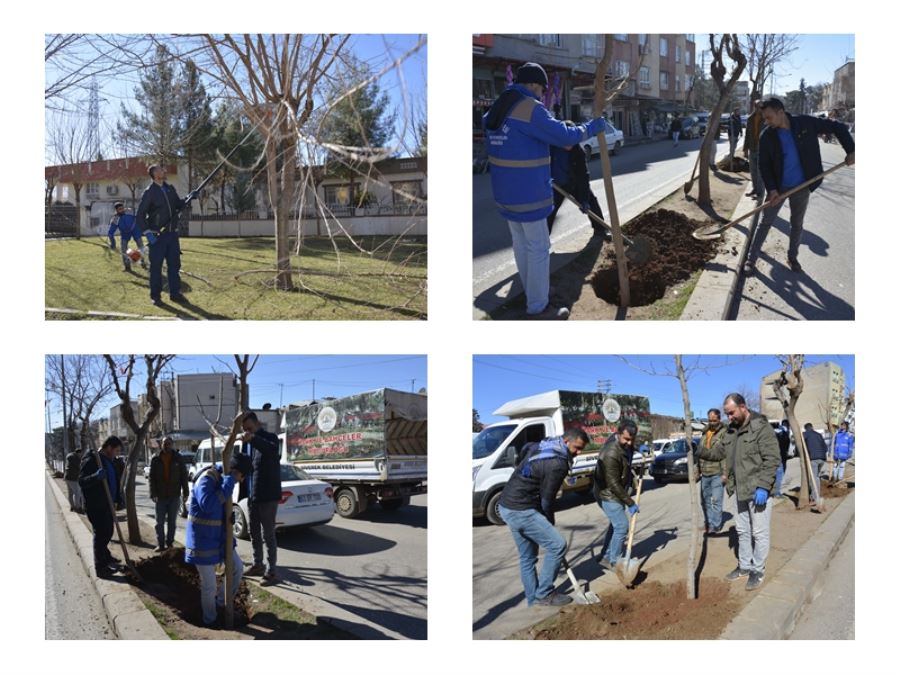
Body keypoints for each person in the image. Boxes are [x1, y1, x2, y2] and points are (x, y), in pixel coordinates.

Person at [483, 62, 606, 320]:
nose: (541, 95)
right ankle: (539, 307)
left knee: (521, 244)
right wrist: (592, 127)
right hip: (529, 194)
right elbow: (565, 137)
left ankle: (532, 292)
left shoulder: (498, 106)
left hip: (505, 193)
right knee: (539, 247)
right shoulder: (529, 108)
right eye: (541, 90)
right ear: (534, 85)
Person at [746, 96, 855, 275]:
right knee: (765, 222)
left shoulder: (805, 123)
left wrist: (851, 150)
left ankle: (792, 257)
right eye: (764, 118)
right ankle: (751, 258)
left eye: (769, 117)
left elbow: (838, 126)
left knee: (797, 224)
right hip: (778, 188)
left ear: (780, 112)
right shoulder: (767, 136)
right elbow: (763, 165)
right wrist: (772, 189)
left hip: (803, 185)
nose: (766, 121)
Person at [497, 428, 590, 607]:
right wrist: (549, 522)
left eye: (581, 449)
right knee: (557, 545)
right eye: (576, 448)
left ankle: (533, 600)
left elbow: (524, 450)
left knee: (527, 557)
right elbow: (548, 500)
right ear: (566, 442)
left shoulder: (545, 444)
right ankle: (545, 593)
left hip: (507, 505)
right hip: (521, 508)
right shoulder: (558, 463)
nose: (578, 453)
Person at [722, 393, 780, 591]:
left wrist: (764, 486)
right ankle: (745, 566)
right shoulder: (731, 431)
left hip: (758, 491)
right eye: (726, 414)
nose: (729, 418)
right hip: (740, 490)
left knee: (759, 532)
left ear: (743, 407)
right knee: (742, 531)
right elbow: (723, 455)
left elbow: (772, 459)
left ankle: (758, 570)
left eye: (731, 413)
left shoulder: (761, 427)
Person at [185, 453, 250, 628]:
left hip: (219, 540)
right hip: (202, 541)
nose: (241, 482)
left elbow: (221, 510)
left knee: (237, 568)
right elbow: (208, 505)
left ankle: (220, 603)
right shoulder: (207, 479)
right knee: (209, 586)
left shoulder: (225, 480)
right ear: (236, 472)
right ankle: (210, 619)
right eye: (242, 477)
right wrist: (229, 484)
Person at [135, 164, 198, 307]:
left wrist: (189, 197)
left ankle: (175, 294)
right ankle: (155, 297)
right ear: (154, 174)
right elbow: (140, 216)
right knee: (156, 267)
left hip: (172, 235)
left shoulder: (170, 189)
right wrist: (147, 233)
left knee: (174, 266)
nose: (163, 170)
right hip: (157, 237)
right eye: (160, 169)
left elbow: (178, 205)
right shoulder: (149, 192)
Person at [239, 412, 282, 584]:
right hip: (252, 495)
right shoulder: (247, 444)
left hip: (268, 496)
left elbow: (272, 451)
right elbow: (243, 465)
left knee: (268, 534)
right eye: (244, 429)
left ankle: (272, 571)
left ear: (257, 423)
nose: (247, 432)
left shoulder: (269, 438)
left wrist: (253, 438)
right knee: (253, 532)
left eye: (249, 428)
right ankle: (258, 565)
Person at [546, 123, 608, 240]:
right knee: (549, 212)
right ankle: (543, 240)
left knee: (592, 202)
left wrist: (584, 200)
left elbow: (583, 176)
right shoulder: (551, 148)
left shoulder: (578, 152)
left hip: (574, 184)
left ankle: (600, 230)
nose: (570, 144)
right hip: (556, 185)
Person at [593, 420, 639, 570]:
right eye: (626, 439)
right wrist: (630, 502)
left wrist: (638, 449)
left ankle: (606, 556)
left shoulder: (624, 446)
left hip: (615, 492)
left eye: (632, 439)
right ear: (618, 434)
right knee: (621, 526)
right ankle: (614, 561)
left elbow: (628, 451)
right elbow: (613, 484)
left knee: (615, 525)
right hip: (607, 493)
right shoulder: (611, 453)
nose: (629, 443)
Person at [78, 436, 124, 579]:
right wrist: (95, 477)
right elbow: (82, 481)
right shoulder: (92, 459)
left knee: (108, 532)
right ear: (109, 447)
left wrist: (118, 497)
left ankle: (106, 557)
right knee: (101, 535)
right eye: (116, 450)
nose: (116, 453)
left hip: (108, 504)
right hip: (96, 505)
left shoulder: (109, 461)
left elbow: (113, 481)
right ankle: (100, 567)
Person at [149, 436, 189, 552]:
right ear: (161, 444)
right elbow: (152, 478)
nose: (167, 445)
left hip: (174, 496)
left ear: (172, 444)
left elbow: (184, 476)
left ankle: (169, 544)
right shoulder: (155, 459)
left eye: (169, 443)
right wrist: (153, 493)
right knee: (159, 523)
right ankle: (161, 545)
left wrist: (185, 492)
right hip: (160, 497)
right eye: (165, 443)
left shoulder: (178, 458)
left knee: (172, 522)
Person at [698, 409, 728, 534]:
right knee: (704, 501)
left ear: (719, 419)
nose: (712, 422)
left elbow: (725, 454)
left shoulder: (724, 433)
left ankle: (715, 525)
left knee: (716, 501)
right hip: (704, 473)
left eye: (714, 420)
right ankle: (709, 523)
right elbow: (699, 454)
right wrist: (697, 470)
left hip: (717, 473)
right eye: (710, 420)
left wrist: (725, 474)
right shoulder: (704, 433)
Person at [107, 201, 147, 272]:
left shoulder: (130, 211)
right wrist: (113, 244)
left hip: (135, 229)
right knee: (124, 248)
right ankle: (127, 267)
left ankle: (143, 262)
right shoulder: (115, 219)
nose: (122, 210)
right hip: (125, 233)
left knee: (140, 245)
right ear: (116, 210)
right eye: (119, 209)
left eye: (122, 208)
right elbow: (110, 232)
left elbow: (141, 215)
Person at [743, 100, 764, 198]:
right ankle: (755, 189)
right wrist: (745, 149)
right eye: (757, 106)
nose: (759, 108)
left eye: (761, 107)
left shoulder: (766, 118)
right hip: (752, 148)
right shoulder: (750, 119)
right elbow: (747, 134)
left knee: (760, 172)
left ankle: (760, 192)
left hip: (762, 149)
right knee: (753, 171)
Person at [802, 423, 828, 501]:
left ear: (805, 428)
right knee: (816, 476)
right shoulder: (819, 435)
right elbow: (825, 448)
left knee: (814, 477)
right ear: (812, 427)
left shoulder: (805, 434)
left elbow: (800, 445)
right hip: (822, 459)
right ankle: (815, 493)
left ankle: (815, 497)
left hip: (813, 459)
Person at [773, 419, 791, 497]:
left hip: (774, 456)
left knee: (775, 474)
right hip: (781, 456)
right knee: (780, 474)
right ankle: (776, 493)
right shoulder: (784, 432)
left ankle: (774, 491)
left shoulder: (772, 432)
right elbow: (786, 444)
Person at [64, 447, 84, 513]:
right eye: (81, 454)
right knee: (77, 492)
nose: (81, 455)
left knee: (70, 493)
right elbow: (79, 467)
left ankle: (72, 506)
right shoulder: (76, 458)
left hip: (67, 477)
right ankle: (78, 507)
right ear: (79, 453)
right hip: (73, 478)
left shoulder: (69, 457)